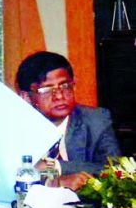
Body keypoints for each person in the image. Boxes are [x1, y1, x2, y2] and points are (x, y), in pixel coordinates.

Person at [15, 51, 121, 191]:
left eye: (65, 86)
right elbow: (10, 177)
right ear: (26, 97)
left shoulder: (96, 120)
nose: (59, 95)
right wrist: (54, 182)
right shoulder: (15, 128)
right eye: (47, 89)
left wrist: (56, 167)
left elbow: (115, 170)